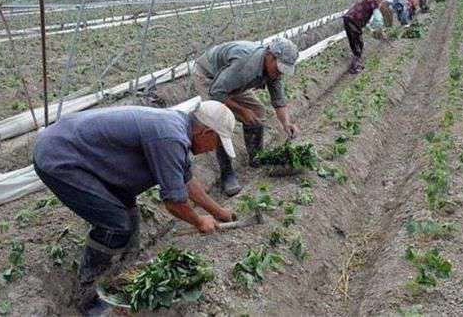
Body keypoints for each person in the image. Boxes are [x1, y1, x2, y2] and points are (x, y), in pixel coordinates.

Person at [32, 101, 237, 311]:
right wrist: (199, 221)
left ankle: (120, 282)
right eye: (217, 143)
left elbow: (187, 183)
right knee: (116, 225)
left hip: (80, 153)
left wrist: (219, 212)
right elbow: (174, 203)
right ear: (206, 132)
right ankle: (89, 296)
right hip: (59, 156)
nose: (213, 149)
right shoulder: (170, 138)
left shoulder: (176, 128)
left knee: (130, 226)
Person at [194, 38, 300, 196]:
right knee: (219, 120)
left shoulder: (273, 71)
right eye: (278, 69)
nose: (279, 73)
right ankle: (227, 174)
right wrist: (242, 111)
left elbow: (278, 100)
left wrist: (286, 123)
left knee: (257, 111)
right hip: (209, 77)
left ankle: (256, 156)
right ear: (270, 56)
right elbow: (216, 92)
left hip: (230, 81)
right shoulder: (246, 64)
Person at [342, 0, 388, 74]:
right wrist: (381, 32)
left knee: (355, 43)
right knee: (358, 44)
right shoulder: (373, 2)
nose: (381, 2)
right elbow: (378, 19)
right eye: (381, 0)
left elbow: (365, 18)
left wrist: (372, 29)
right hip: (353, 21)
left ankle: (356, 64)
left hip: (349, 20)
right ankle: (353, 68)